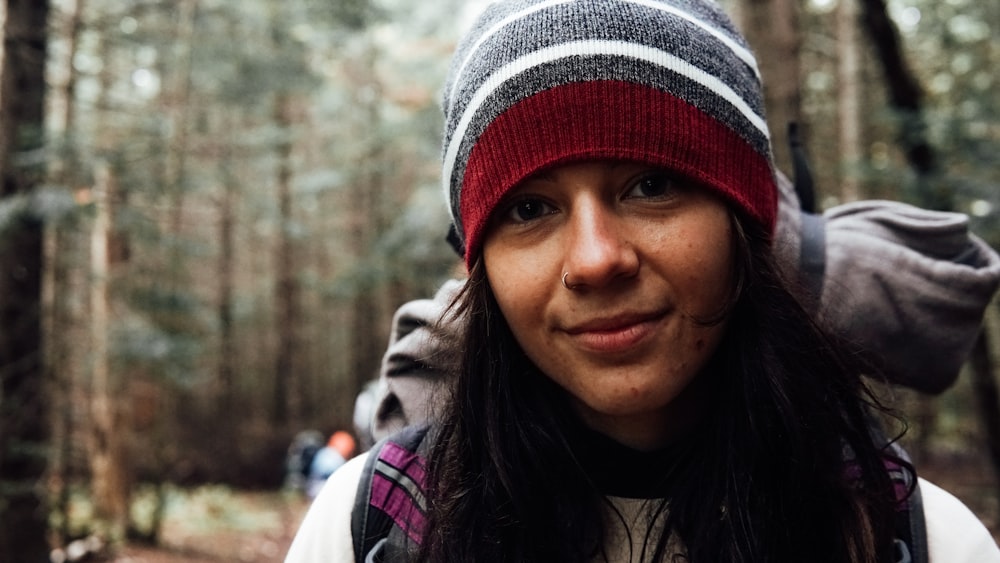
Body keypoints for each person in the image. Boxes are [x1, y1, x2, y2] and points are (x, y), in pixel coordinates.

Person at [287, 1, 1000, 561]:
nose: (596, 259)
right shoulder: (372, 531)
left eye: (651, 185)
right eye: (530, 208)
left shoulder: (917, 538)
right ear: (482, 264)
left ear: (743, 220)